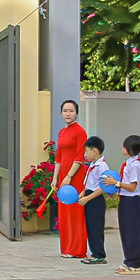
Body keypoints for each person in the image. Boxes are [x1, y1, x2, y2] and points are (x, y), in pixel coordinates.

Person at [53, 99, 88, 258]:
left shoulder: (80, 131)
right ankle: (66, 248)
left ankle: (78, 249)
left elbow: (80, 156)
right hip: (63, 177)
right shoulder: (62, 132)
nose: (68, 114)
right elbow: (58, 158)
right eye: (65, 111)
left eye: (71, 111)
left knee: (75, 212)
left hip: (75, 176)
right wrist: (55, 179)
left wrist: (69, 176)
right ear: (61, 113)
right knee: (64, 212)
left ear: (77, 113)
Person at [111, 135, 140, 275]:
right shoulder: (130, 163)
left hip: (132, 200)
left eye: (124, 146)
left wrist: (116, 183)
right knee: (125, 231)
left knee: (132, 232)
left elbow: (132, 186)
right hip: (125, 200)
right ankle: (128, 260)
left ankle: (134, 263)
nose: (122, 148)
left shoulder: (134, 165)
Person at [77, 136, 109, 265]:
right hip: (89, 196)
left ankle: (99, 254)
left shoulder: (102, 166)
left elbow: (104, 187)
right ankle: (94, 252)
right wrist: (83, 193)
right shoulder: (93, 165)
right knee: (90, 227)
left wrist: (88, 198)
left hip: (95, 199)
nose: (85, 154)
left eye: (86, 151)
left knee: (96, 228)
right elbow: (90, 182)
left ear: (95, 151)